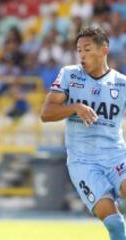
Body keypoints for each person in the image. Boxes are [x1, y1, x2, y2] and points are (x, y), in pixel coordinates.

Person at [41, 27, 126, 240]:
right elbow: (46, 113)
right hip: (83, 162)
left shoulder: (122, 84)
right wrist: (75, 107)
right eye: (79, 50)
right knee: (115, 224)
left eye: (87, 49)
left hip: (116, 155)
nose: (81, 55)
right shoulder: (70, 75)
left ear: (104, 49)